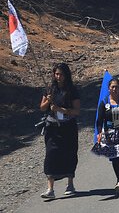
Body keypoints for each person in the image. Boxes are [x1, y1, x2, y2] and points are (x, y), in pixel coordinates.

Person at [40, 63, 81, 200]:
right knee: (51, 154)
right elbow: (42, 107)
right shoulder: (50, 89)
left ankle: (70, 184)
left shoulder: (72, 90)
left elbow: (76, 111)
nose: (58, 77)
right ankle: (50, 189)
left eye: (61, 74)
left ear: (66, 75)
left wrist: (62, 110)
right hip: (52, 128)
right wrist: (48, 101)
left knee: (69, 153)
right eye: (56, 74)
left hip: (68, 127)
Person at [95, 78, 119, 195]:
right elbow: (99, 121)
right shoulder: (104, 102)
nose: (114, 89)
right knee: (115, 159)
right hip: (110, 134)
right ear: (108, 88)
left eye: (117, 87)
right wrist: (99, 134)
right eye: (112, 87)